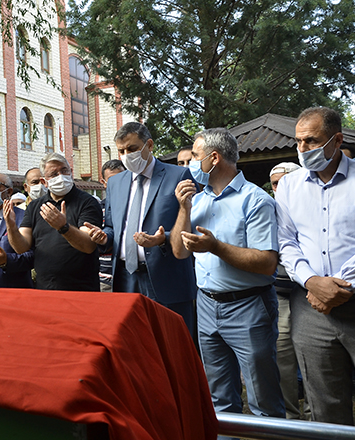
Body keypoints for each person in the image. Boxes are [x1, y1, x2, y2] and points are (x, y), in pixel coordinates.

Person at [277, 106, 355, 430]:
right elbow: (285, 242)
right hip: (311, 314)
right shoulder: (290, 187)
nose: (303, 149)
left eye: (312, 141)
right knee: (324, 412)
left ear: (337, 140)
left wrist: (332, 287)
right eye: (298, 141)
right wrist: (311, 281)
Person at [171, 128, 283, 424]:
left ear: (214, 158)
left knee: (263, 399)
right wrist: (184, 209)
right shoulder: (198, 199)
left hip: (249, 306)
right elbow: (179, 252)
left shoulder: (256, 200)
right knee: (218, 398)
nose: (191, 164)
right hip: (207, 305)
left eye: (195, 156)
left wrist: (215, 247)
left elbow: (266, 262)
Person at [86, 123, 196, 328]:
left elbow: (192, 226)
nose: (126, 155)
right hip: (125, 278)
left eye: (133, 149)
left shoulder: (178, 176)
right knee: (133, 346)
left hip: (167, 277)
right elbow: (112, 227)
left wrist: (164, 238)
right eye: (121, 151)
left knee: (173, 347)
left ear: (149, 145)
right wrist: (104, 237)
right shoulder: (116, 183)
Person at [5, 153, 102, 291]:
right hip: (44, 287)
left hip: (82, 288)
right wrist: (11, 227)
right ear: (44, 181)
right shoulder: (35, 206)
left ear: (71, 173)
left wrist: (63, 227)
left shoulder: (87, 202)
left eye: (64, 171)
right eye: (54, 174)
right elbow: (21, 247)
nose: (61, 176)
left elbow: (88, 245)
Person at [268, 161, 306, 420]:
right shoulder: (266, 207)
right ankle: (291, 419)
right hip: (279, 297)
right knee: (282, 361)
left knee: (313, 361)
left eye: (285, 181)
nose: (280, 188)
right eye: (275, 183)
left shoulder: (311, 207)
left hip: (308, 296)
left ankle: (318, 420)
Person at [97, 159, 126, 292]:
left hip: (134, 277)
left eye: (122, 178)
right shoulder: (97, 209)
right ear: (104, 183)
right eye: (113, 180)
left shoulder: (137, 205)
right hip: (106, 279)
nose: (118, 184)